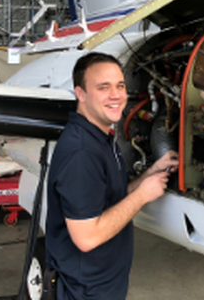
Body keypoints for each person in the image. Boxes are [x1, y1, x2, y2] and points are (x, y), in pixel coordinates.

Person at [46, 52, 178, 299]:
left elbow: (111, 197)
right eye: (103, 87)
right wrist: (142, 195)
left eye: (120, 86)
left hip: (102, 285)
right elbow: (87, 237)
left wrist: (149, 173)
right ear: (81, 94)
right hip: (83, 292)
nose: (116, 95)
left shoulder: (101, 135)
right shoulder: (81, 153)